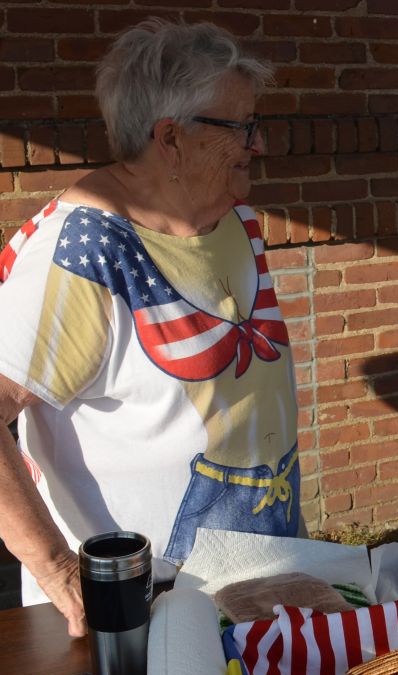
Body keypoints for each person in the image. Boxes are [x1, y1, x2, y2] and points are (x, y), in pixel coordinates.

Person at [0, 19, 300, 637]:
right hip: (131, 620)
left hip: (251, 587)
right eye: (241, 126)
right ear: (171, 138)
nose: (258, 142)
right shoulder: (85, 250)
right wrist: (60, 573)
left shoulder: (234, 218)